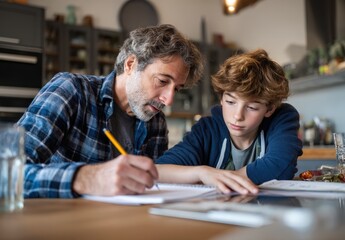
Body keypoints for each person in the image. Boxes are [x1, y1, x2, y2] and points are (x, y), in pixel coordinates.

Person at [18, 24, 204, 198]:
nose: (169, 100)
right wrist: (86, 178)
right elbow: (7, 172)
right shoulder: (71, 91)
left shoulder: (156, 121)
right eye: (162, 81)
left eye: (176, 89)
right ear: (131, 65)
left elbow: (152, 185)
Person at [156, 49, 303, 195]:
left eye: (252, 107)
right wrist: (202, 173)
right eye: (231, 102)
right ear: (221, 98)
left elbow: (281, 165)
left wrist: (221, 179)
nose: (238, 116)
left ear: (269, 109)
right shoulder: (207, 129)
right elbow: (159, 170)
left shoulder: (282, 118)